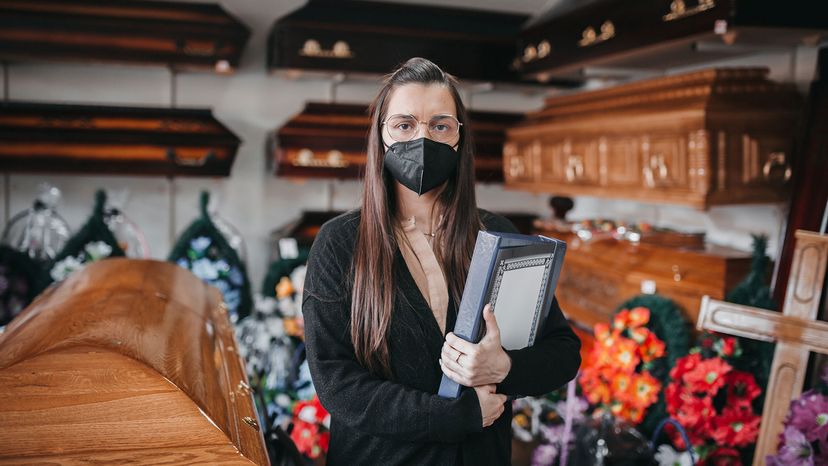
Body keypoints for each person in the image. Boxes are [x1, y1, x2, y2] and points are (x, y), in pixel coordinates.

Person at [302, 57, 581, 466]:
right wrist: (456, 416)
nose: (422, 138)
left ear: (458, 137)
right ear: (381, 137)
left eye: (439, 125)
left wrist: (504, 365)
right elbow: (338, 384)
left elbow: (563, 352)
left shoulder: (497, 235)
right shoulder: (340, 244)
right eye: (404, 124)